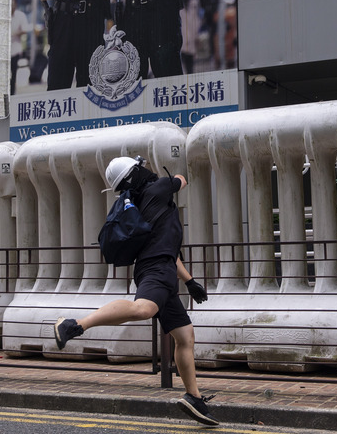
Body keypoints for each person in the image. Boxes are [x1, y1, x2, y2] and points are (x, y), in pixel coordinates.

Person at [53, 156, 218, 426]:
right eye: (141, 167)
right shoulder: (158, 189)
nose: (147, 169)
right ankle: (74, 325)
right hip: (157, 270)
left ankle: (194, 398)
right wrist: (171, 177)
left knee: (185, 336)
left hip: (158, 267)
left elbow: (167, 250)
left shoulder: (141, 204)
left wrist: (189, 281)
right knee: (144, 308)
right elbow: (182, 179)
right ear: (136, 172)